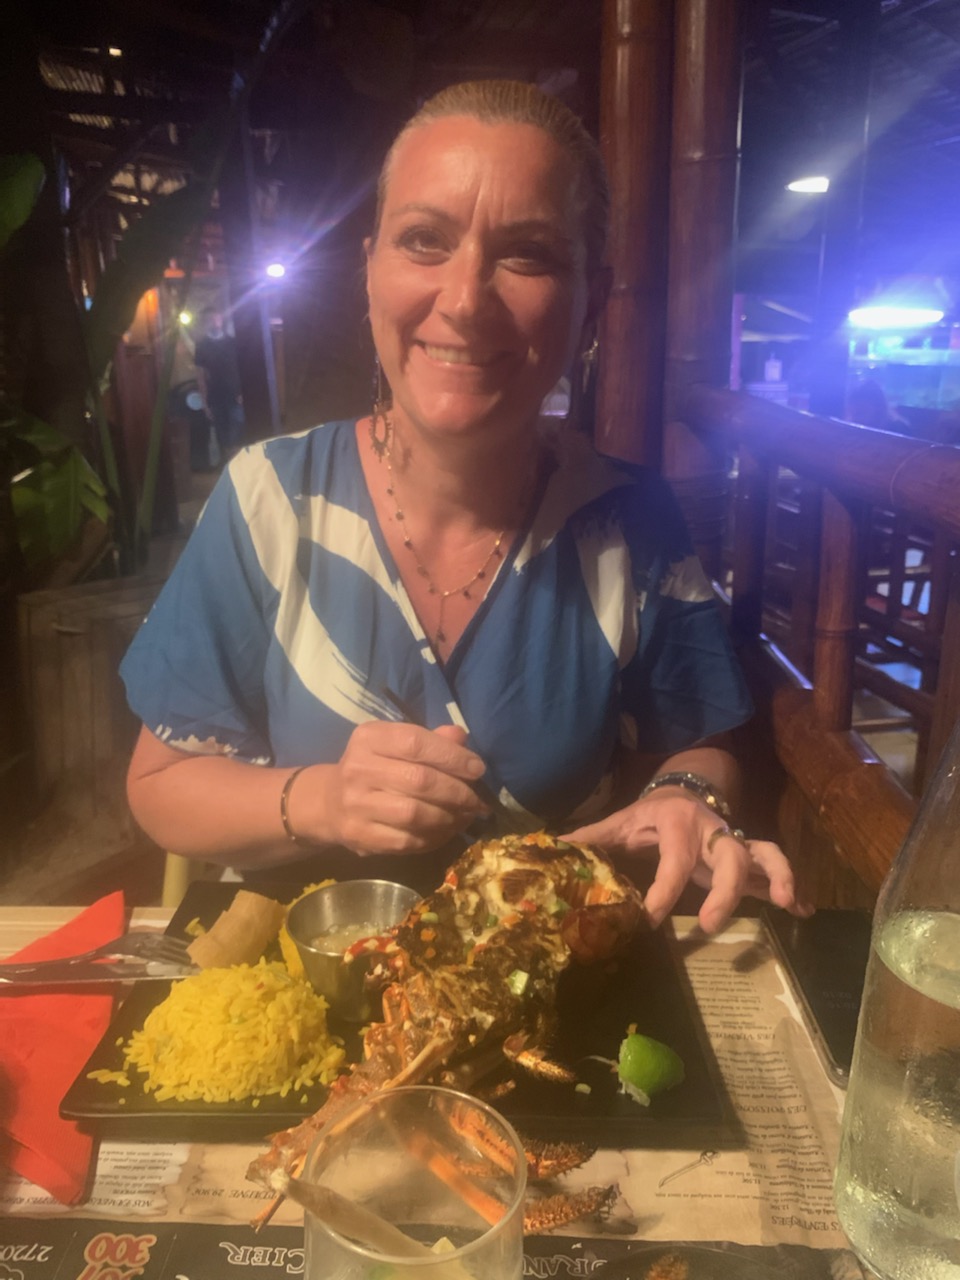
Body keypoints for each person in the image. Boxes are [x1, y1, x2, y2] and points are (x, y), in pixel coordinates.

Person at [121, 80, 811, 934]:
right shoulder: (267, 500)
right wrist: (326, 800)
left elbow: (700, 740)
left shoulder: (626, 520)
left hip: (538, 974)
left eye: (527, 254)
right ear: (369, 272)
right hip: (301, 979)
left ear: (590, 305)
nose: (465, 299)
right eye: (424, 241)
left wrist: (684, 793)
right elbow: (159, 784)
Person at [193, 307, 245, 459]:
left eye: (216, 318)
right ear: (205, 323)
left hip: (236, 396)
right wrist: (204, 402)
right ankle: (229, 465)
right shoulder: (201, 346)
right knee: (222, 435)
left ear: (221, 319)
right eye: (210, 319)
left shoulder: (233, 342)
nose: (214, 322)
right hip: (215, 396)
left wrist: (243, 392)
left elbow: (243, 368)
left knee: (238, 432)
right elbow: (200, 375)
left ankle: (238, 464)